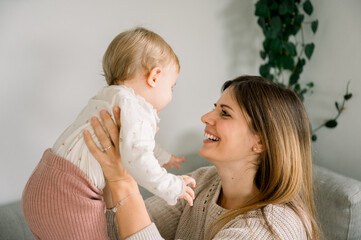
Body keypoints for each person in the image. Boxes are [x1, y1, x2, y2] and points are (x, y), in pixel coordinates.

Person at [84, 75, 320, 240]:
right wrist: (107, 166)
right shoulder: (204, 183)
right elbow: (116, 231)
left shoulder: (272, 229)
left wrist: (122, 180)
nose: (206, 117)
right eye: (214, 107)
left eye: (225, 113)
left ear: (260, 142)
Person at [22, 27, 195, 240]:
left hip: (42, 181)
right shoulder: (137, 107)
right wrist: (173, 187)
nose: (170, 95)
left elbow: (135, 144)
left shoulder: (107, 97)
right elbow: (138, 160)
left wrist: (163, 157)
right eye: (172, 86)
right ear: (155, 76)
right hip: (72, 194)